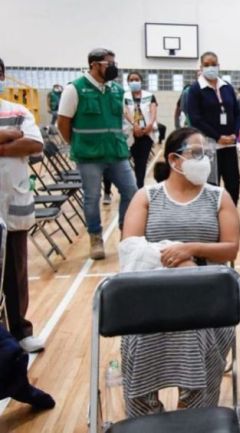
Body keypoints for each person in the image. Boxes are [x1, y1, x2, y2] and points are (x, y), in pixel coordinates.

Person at [120, 127, 239, 416]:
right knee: (140, 337)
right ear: (174, 160)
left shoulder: (218, 197)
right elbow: (130, 249)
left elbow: (230, 249)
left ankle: (194, 410)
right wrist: (172, 256)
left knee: (198, 334)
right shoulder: (147, 196)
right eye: (196, 153)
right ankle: (147, 412)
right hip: (153, 291)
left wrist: (191, 250)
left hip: (205, 292)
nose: (204, 159)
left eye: (206, 153)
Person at [57, 48, 138, 260]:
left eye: (114, 62)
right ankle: (95, 237)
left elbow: (120, 117)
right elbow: (63, 123)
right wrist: (77, 144)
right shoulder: (75, 89)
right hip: (88, 155)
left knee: (131, 190)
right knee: (92, 197)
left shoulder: (116, 90)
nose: (114, 67)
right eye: (108, 63)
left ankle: (126, 235)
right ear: (94, 64)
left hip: (116, 152)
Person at [0, 57, 46, 353]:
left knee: (14, 271)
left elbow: (34, 144)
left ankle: (19, 330)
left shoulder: (16, 110)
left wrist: (11, 137)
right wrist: (6, 137)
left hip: (10, 200)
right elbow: (19, 141)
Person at [186, 51, 240, 233]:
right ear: (201, 67)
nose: (211, 67)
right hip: (209, 145)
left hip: (229, 144)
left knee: (233, 183)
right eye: (207, 64)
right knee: (211, 185)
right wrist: (217, 136)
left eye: (214, 64)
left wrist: (234, 134)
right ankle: (212, 224)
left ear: (219, 65)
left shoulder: (227, 87)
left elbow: (237, 113)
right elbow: (195, 118)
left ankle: (231, 221)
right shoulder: (195, 90)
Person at [0, 325, 55, 410]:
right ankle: (44, 400)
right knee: (24, 391)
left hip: (7, 359)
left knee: (20, 390)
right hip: (16, 355)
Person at [123, 71, 157, 189]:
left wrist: (150, 124)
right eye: (131, 80)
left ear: (141, 81)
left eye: (136, 79)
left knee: (141, 163)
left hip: (146, 133)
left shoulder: (149, 95)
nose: (134, 82)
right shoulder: (124, 96)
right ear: (128, 82)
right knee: (124, 162)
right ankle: (128, 186)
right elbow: (125, 111)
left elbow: (153, 110)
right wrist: (134, 125)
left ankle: (140, 187)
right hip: (130, 133)